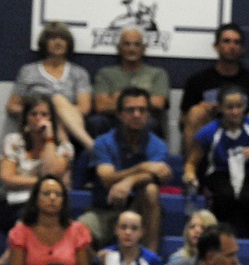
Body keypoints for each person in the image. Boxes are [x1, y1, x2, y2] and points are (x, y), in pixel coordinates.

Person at [79, 86, 171, 252]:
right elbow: (107, 179)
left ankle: (150, 258)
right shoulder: (103, 142)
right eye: (130, 110)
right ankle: (99, 262)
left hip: (139, 210)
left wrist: (129, 181)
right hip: (104, 210)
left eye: (142, 110)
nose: (137, 115)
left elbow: (161, 173)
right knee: (79, 231)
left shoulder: (158, 145)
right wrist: (142, 167)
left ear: (148, 114)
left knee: (151, 189)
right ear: (119, 114)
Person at [183, 83, 249, 239]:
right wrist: (190, 175)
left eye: (239, 106)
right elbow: (191, 162)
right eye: (230, 107)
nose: (235, 112)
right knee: (225, 196)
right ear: (220, 108)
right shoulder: (209, 131)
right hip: (219, 173)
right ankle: (218, 238)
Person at [180, 22, 249, 153]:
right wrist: (204, 109)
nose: (232, 46)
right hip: (210, 136)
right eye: (226, 41)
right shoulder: (198, 81)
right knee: (196, 112)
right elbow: (183, 121)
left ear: (242, 48)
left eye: (237, 42)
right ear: (216, 46)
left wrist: (238, 112)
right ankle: (192, 163)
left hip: (244, 139)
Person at [8, 176, 92, 265]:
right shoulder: (20, 231)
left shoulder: (78, 230)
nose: (52, 198)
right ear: (36, 199)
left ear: (64, 200)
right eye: (46, 193)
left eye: (58, 194)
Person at [5, 21, 94, 150]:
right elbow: (12, 106)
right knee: (54, 101)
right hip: (37, 123)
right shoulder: (28, 71)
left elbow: (84, 108)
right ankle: (90, 147)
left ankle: (67, 149)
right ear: (44, 43)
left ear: (68, 43)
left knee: (58, 100)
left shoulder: (79, 73)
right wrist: (41, 112)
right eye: (52, 38)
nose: (58, 42)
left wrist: (57, 112)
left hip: (70, 126)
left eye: (62, 38)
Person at [0, 95, 74, 234]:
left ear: (51, 118)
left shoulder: (64, 148)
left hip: (51, 203)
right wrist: (43, 183)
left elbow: (51, 173)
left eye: (44, 114)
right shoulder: (14, 141)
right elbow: (7, 178)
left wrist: (49, 139)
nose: (39, 118)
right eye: (34, 114)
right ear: (26, 118)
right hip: (16, 203)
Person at [89, 26, 171, 138]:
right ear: (119, 48)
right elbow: (101, 106)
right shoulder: (105, 73)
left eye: (137, 45)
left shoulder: (158, 73)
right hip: (113, 120)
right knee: (96, 121)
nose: (132, 49)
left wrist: (118, 99)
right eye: (127, 44)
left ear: (144, 48)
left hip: (143, 119)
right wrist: (143, 101)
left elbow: (158, 103)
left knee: (151, 123)